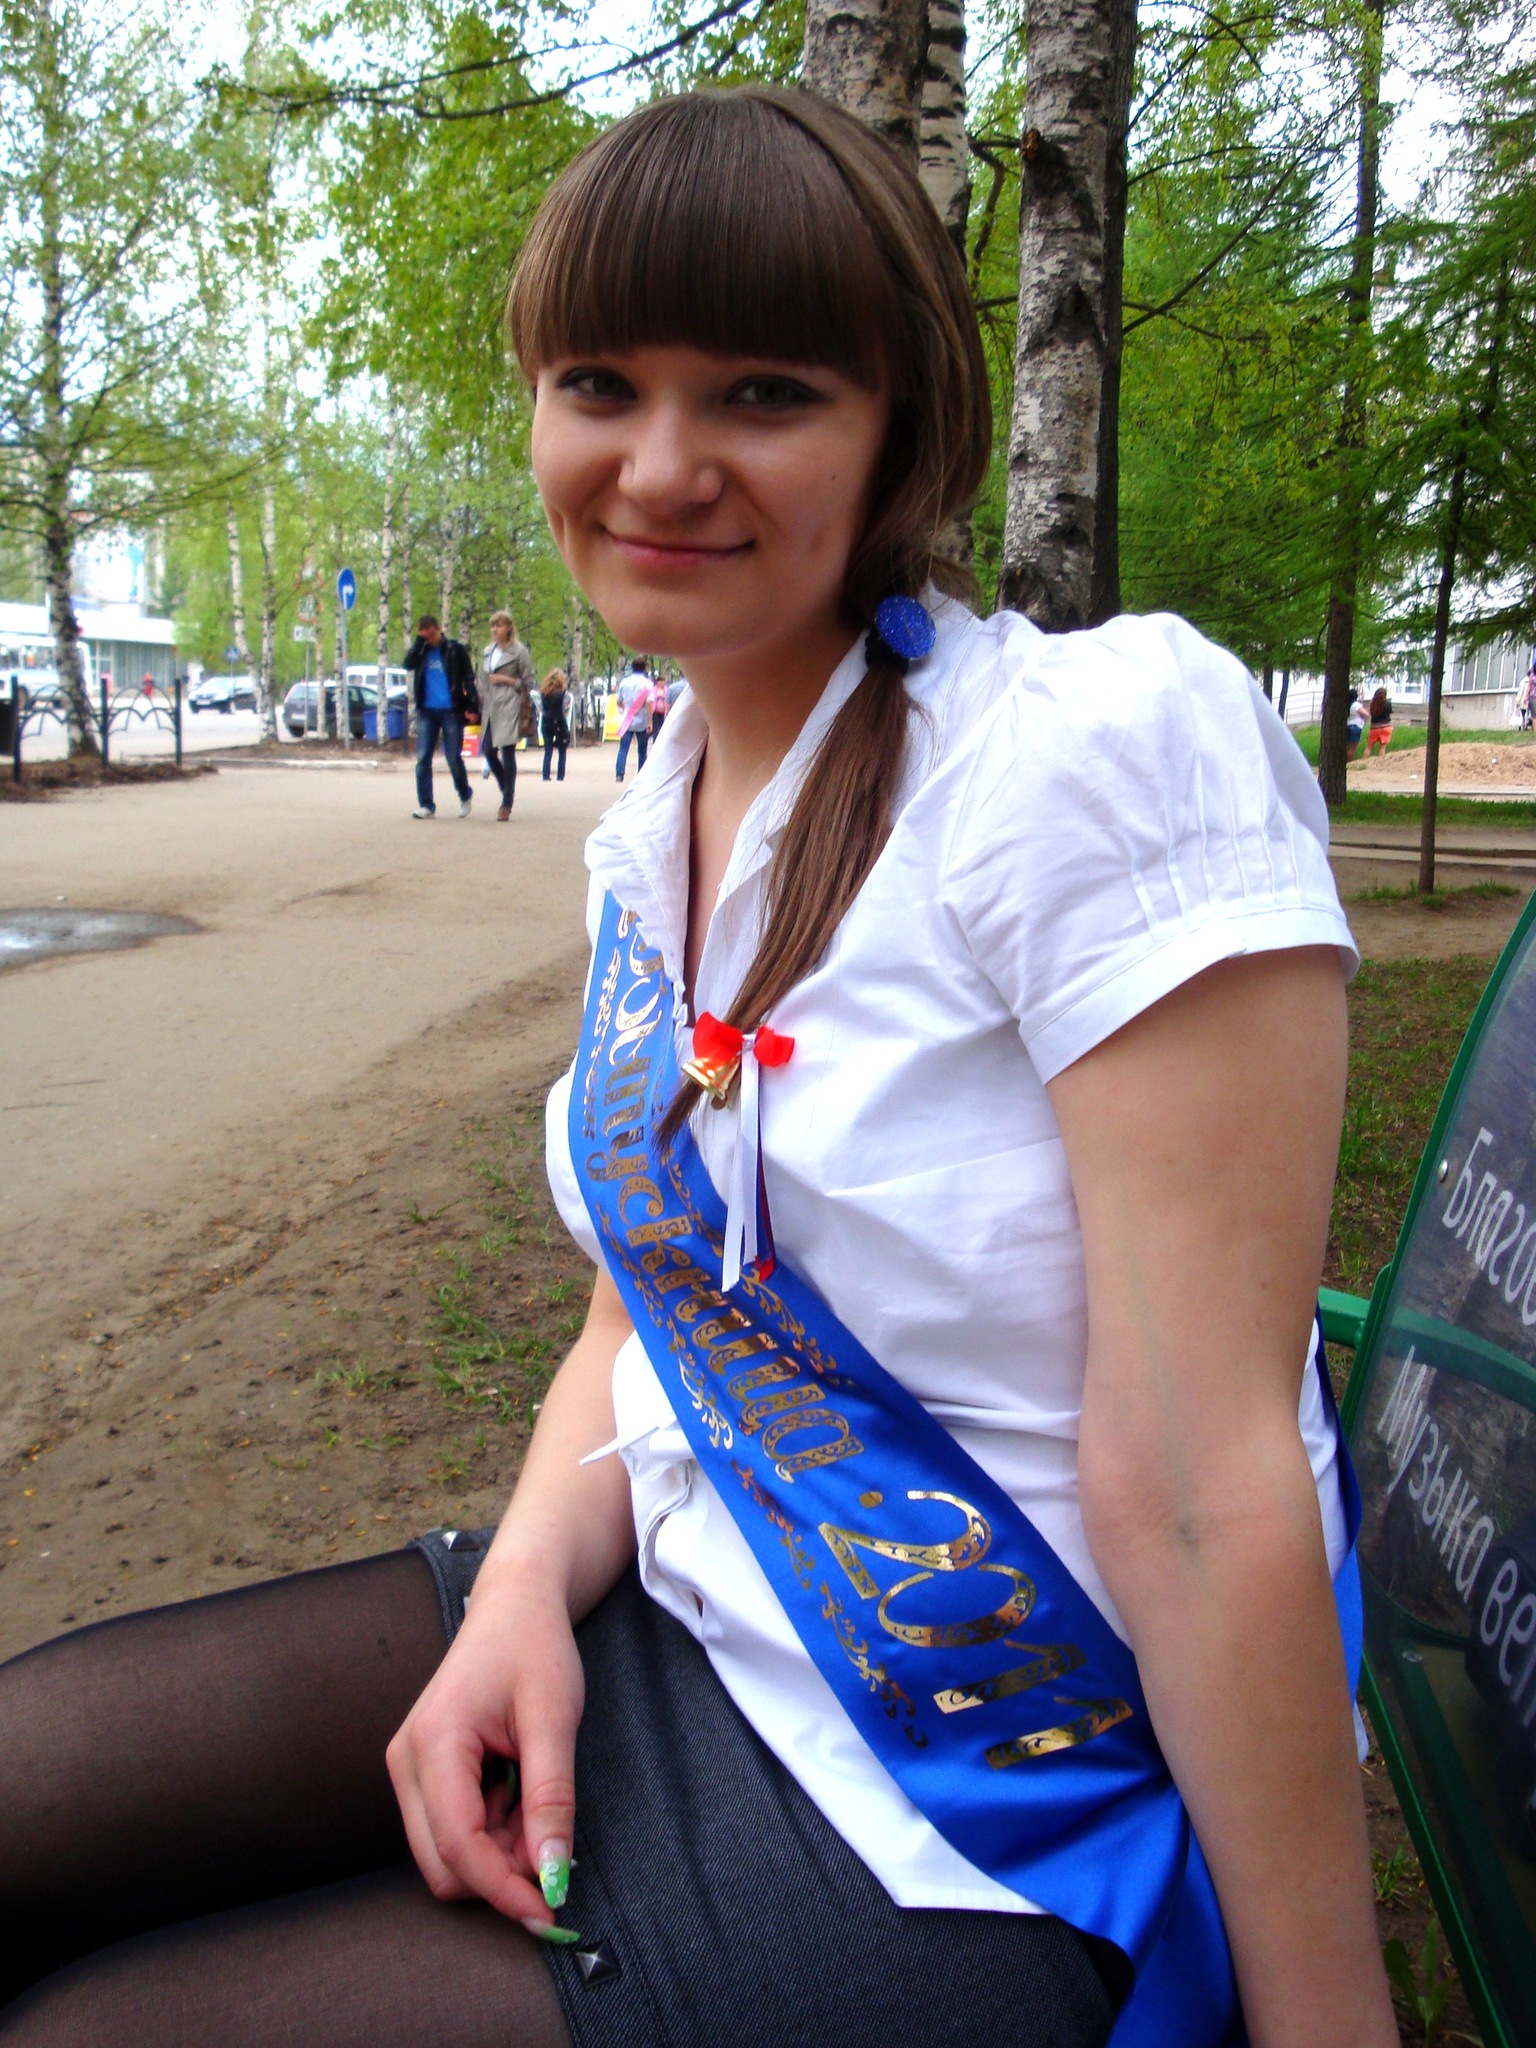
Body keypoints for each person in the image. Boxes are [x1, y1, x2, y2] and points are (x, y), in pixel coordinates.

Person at [0, 88, 1395, 2048]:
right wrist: (514, 1598)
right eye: (601, 384)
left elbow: (1199, 1485)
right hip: (679, 1600)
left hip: (989, 1804)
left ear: (901, 426)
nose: (658, 465)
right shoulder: (657, 820)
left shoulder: (1082, 761)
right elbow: (639, 1314)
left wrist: (1323, 2024)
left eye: (761, 391)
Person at [404, 615, 476, 819]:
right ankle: (426, 805)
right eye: (424, 636)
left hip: (451, 710)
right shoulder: (421, 650)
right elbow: (407, 664)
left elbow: (468, 678)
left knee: (452, 757)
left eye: (431, 635)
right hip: (427, 711)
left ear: (438, 629)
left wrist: (472, 706)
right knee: (423, 758)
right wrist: (419, 643)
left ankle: (465, 794)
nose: (429, 639)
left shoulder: (455, 649)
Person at [482, 612, 538, 821]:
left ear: (508, 628)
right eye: (492, 626)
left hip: (510, 705)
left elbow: (529, 682)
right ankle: (505, 785)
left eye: (498, 626)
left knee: (507, 752)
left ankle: (506, 803)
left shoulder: (519, 652)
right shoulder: (488, 652)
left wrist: (506, 680)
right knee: (488, 750)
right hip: (490, 706)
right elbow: (483, 680)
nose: (494, 630)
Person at [613, 655, 651, 782]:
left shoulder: (624, 682)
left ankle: (619, 774)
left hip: (627, 720)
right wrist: (650, 721)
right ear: (645, 668)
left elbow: (619, 701)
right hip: (642, 719)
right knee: (642, 750)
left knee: (623, 748)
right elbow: (649, 703)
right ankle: (641, 775)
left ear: (632, 668)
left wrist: (628, 709)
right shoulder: (648, 684)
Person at [540, 668, 572, 782]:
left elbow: (541, 708)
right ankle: (560, 776)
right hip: (559, 722)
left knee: (548, 750)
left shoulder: (543, 693)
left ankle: (546, 775)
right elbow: (565, 710)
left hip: (546, 721)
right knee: (562, 750)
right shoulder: (564, 694)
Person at [1366, 684, 1393, 755]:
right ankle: (1380, 761)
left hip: (1374, 727)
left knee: (1369, 747)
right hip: (1386, 727)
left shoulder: (1372, 704)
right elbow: (1390, 712)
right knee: (1382, 747)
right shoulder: (1388, 704)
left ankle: (1364, 760)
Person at [647, 670, 670, 739]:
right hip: (655, 711)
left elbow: (668, 699)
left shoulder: (667, 689)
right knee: (655, 728)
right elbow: (651, 699)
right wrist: (658, 696)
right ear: (657, 682)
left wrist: (663, 697)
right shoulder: (653, 689)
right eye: (660, 681)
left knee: (663, 727)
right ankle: (655, 740)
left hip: (664, 711)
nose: (662, 683)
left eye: (663, 681)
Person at [1345, 687, 1365, 760]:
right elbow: (1365, 714)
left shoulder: (1346, 704)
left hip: (1347, 725)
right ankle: (1349, 763)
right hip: (1355, 726)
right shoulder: (1356, 704)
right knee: (1352, 748)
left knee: (1347, 747)